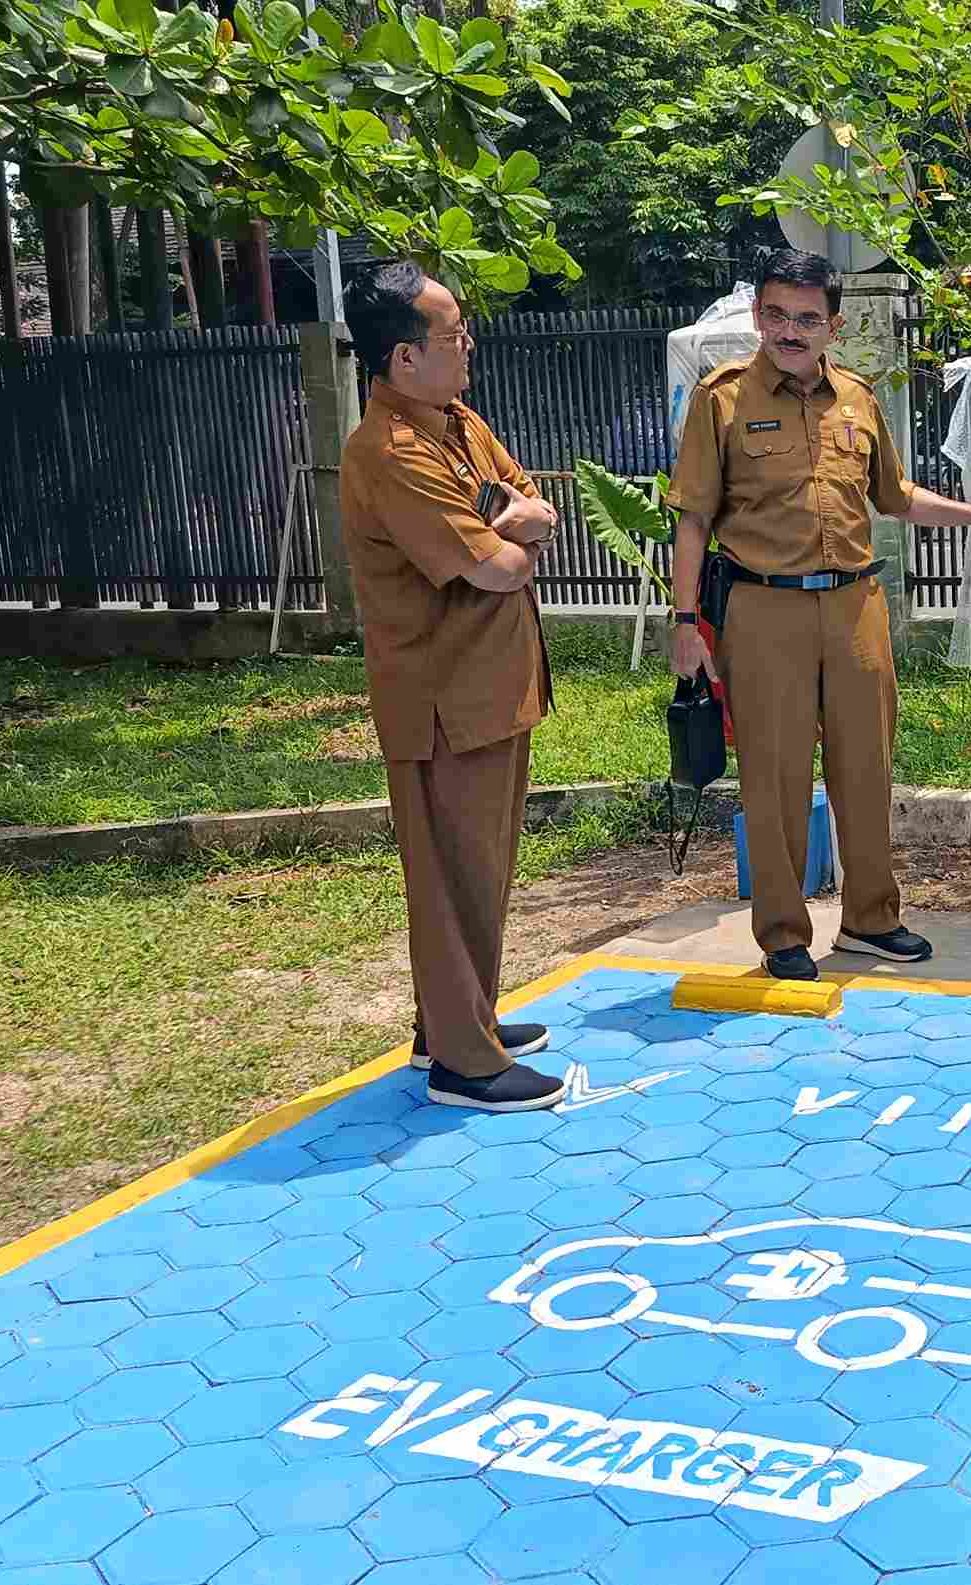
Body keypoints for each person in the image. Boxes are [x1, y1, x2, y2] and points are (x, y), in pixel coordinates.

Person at [668, 248, 971, 981]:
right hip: (762, 609)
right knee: (774, 778)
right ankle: (782, 931)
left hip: (854, 606)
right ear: (758, 316)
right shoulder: (722, 399)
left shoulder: (858, 399)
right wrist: (686, 624)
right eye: (775, 313)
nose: (790, 330)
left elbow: (896, 496)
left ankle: (871, 919)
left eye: (807, 317)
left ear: (832, 325)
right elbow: (691, 520)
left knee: (865, 768)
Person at [339, 259, 565, 1111]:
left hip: (492, 686)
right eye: (450, 333)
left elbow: (534, 507)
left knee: (485, 870)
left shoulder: (456, 423)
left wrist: (508, 516)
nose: (467, 343)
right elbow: (500, 563)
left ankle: (459, 1020)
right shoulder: (390, 452)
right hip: (441, 700)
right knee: (448, 878)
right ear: (402, 358)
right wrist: (506, 525)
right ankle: (462, 1063)